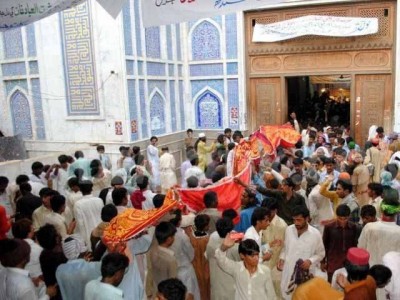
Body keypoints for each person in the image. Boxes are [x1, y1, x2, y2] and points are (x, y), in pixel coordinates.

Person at [278, 205, 325, 300]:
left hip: (305, 276)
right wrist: (282, 258)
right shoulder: (289, 230)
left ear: (307, 218)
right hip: (288, 273)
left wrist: (310, 261)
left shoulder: (315, 234)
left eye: (299, 220)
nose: (296, 223)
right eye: (294, 220)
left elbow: (321, 254)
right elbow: (285, 248)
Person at [358, 189, 400, 266]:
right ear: (397, 212)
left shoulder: (369, 227)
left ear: (381, 208)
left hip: (371, 272)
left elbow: (360, 250)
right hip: (392, 274)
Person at [322, 204, 361, 282]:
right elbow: (324, 245)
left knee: (347, 284)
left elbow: (355, 246)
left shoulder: (354, 227)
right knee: (332, 284)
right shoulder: (329, 227)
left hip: (348, 262)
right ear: (336, 216)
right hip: (333, 261)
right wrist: (323, 261)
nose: (343, 221)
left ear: (349, 216)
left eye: (345, 218)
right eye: (340, 218)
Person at [37, 224, 68, 300]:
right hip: (62, 293)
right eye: (58, 232)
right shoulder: (59, 257)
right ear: (57, 239)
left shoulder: (43, 254)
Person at [11, 219, 43, 289]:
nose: (34, 229)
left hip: (16, 285)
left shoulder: (11, 250)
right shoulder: (37, 249)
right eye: (32, 228)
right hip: (38, 285)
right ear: (29, 233)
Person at [73, 180, 104, 247]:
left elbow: (80, 225)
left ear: (80, 190)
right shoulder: (99, 200)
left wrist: (84, 243)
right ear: (92, 189)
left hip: (89, 237)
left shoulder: (78, 204)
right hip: (101, 234)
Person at [150, 221, 178, 293]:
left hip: (154, 291)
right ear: (169, 239)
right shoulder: (171, 260)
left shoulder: (151, 251)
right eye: (173, 236)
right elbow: (173, 283)